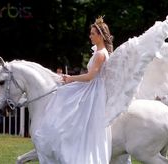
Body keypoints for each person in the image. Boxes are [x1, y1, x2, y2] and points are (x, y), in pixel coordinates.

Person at [35, 16, 113, 164]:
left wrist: (71, 78)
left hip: (94, 91)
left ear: (100, 35)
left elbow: (90, 76)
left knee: (65, 97)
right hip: (94, 88)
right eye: (90, 33)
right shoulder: (100, 51)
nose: (90, 36)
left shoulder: (100, 54)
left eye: (92, 34)